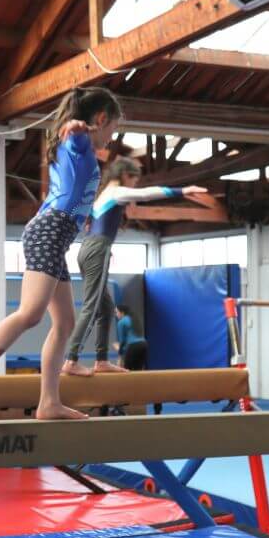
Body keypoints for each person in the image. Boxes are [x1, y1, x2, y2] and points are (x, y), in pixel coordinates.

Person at [0, 86, 123, 421]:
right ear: (100, 119)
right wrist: (76, 128)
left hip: (54, 236)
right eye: (112, 129)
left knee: (64, 323)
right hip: (49, 230)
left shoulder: (82, 150)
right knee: (30, 314)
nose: (111, 137)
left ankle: (48, 402)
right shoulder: (78, 144)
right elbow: (73, 134)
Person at [63, 156, 204, 376]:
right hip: (97, 250)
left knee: (106, 308)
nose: (134, 186)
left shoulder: (102, 196)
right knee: (91, 306)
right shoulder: (116, 192)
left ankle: (101, 360)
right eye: (134, 181)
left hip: (90, 249)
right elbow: (146, 194)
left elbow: (92, 222)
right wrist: (183, 191)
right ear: (125, 175)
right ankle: (71, 360)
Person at [115, 304, 147, 372]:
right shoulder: (134, 319)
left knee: (126, 370)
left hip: (133, 346)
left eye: (117, 312)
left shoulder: (121, 322)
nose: (116, 314)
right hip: (143, 345)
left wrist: (120, 356)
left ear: (122, 312)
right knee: (138, 371)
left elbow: (122, 341)